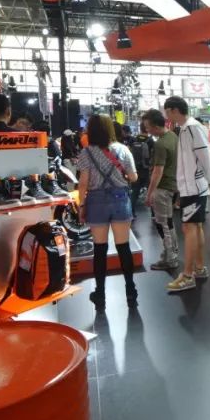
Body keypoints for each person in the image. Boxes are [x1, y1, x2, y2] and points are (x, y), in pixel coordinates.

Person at [76, 114, 139, 307]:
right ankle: (130, 290)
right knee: (123, 247)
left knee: (100, 249)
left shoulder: (86, 153)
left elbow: (83, 183)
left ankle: (100, 294)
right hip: (120, 200)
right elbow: (133, 177)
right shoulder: (123, 149)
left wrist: (81, 205)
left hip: (96, 202)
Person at [163, 97, 210, 292]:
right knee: (196, 226)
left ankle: (187, 275)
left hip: (194, 187)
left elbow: (205, 155)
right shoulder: (186, 128)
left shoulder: (192, 127)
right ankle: (199, 268)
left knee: (189, 227)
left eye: (167, 111)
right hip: (191, 186)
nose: (166, 116)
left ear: (174, 110)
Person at [141, 109, 180, 272]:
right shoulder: (173, 136)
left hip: (163, 188)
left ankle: (170, 258)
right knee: (168, 222)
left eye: (147, 127)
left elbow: (158, 171)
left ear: (155, 126)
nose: (146, 130)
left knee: (163, 224)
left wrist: (149, 193)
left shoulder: (160, 144)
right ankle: (171, 253)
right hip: (173, 185)